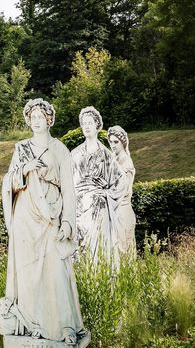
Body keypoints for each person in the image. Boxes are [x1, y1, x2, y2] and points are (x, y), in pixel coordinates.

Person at [0, 99, 88, 346]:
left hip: (50, 214)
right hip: (25, 214)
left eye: (40, 117)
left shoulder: (60, 149)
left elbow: (69, 190)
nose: (36, 121)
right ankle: (32, 323)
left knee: (55, 271)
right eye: (32, 118)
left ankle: (64, 325)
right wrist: (24, 170)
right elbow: (9, 184)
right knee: (27, 272)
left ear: (49, 119)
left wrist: (68, 223)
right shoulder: (21, 148)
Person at [71, 106, 128, 268]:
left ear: (97, 125)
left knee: (98, 247)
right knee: (80, 249)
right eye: (83, 123)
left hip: (99, 207)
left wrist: (107, 193)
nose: (86, 126)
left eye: (90, 122)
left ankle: (100, 280)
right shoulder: (74, 154)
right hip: (79, 206)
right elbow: (67, 181)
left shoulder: (106, 155)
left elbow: (120, 180)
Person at [107, 125, 136, 259]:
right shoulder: (113, 159)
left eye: (116, 142)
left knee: (125, 253)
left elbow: (125, 191)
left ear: (123, 142)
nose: (113, 145)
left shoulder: (127, 163)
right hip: (113, 211)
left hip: (123, 211)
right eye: (111, 142)